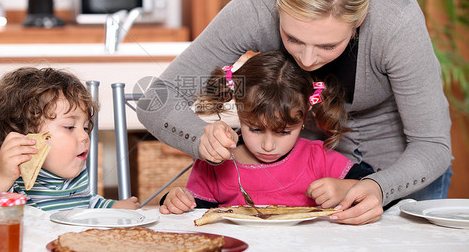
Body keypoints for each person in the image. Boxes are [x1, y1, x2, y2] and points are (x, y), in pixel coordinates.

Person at [138, 0, 453, 224]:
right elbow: (156, 101)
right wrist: (199, 137)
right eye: (292, 39)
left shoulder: (396, 20)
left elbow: (432, 146)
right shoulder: (258, 6)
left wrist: (378, 186)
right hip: (311, 183)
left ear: (360, 19)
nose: (307, 59)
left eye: (328, 46)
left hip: (405, 174)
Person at [160, 51, 373, 214]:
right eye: (255, 129)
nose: (268, 146)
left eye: (283, 132)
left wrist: (347, 188)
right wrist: (175, 200)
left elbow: (373, 186)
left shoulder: (317, 158)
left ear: (305, 114)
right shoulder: (216, 161)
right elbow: (196, 213)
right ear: (239, 109)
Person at [0, 67, 140, 221]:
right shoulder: (3, 177)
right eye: (69, 127)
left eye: (85, 127)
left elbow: (85, 204)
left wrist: (112, 206)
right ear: (25, 135)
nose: (84, 136)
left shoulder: (75, 176)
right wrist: (2, 177)